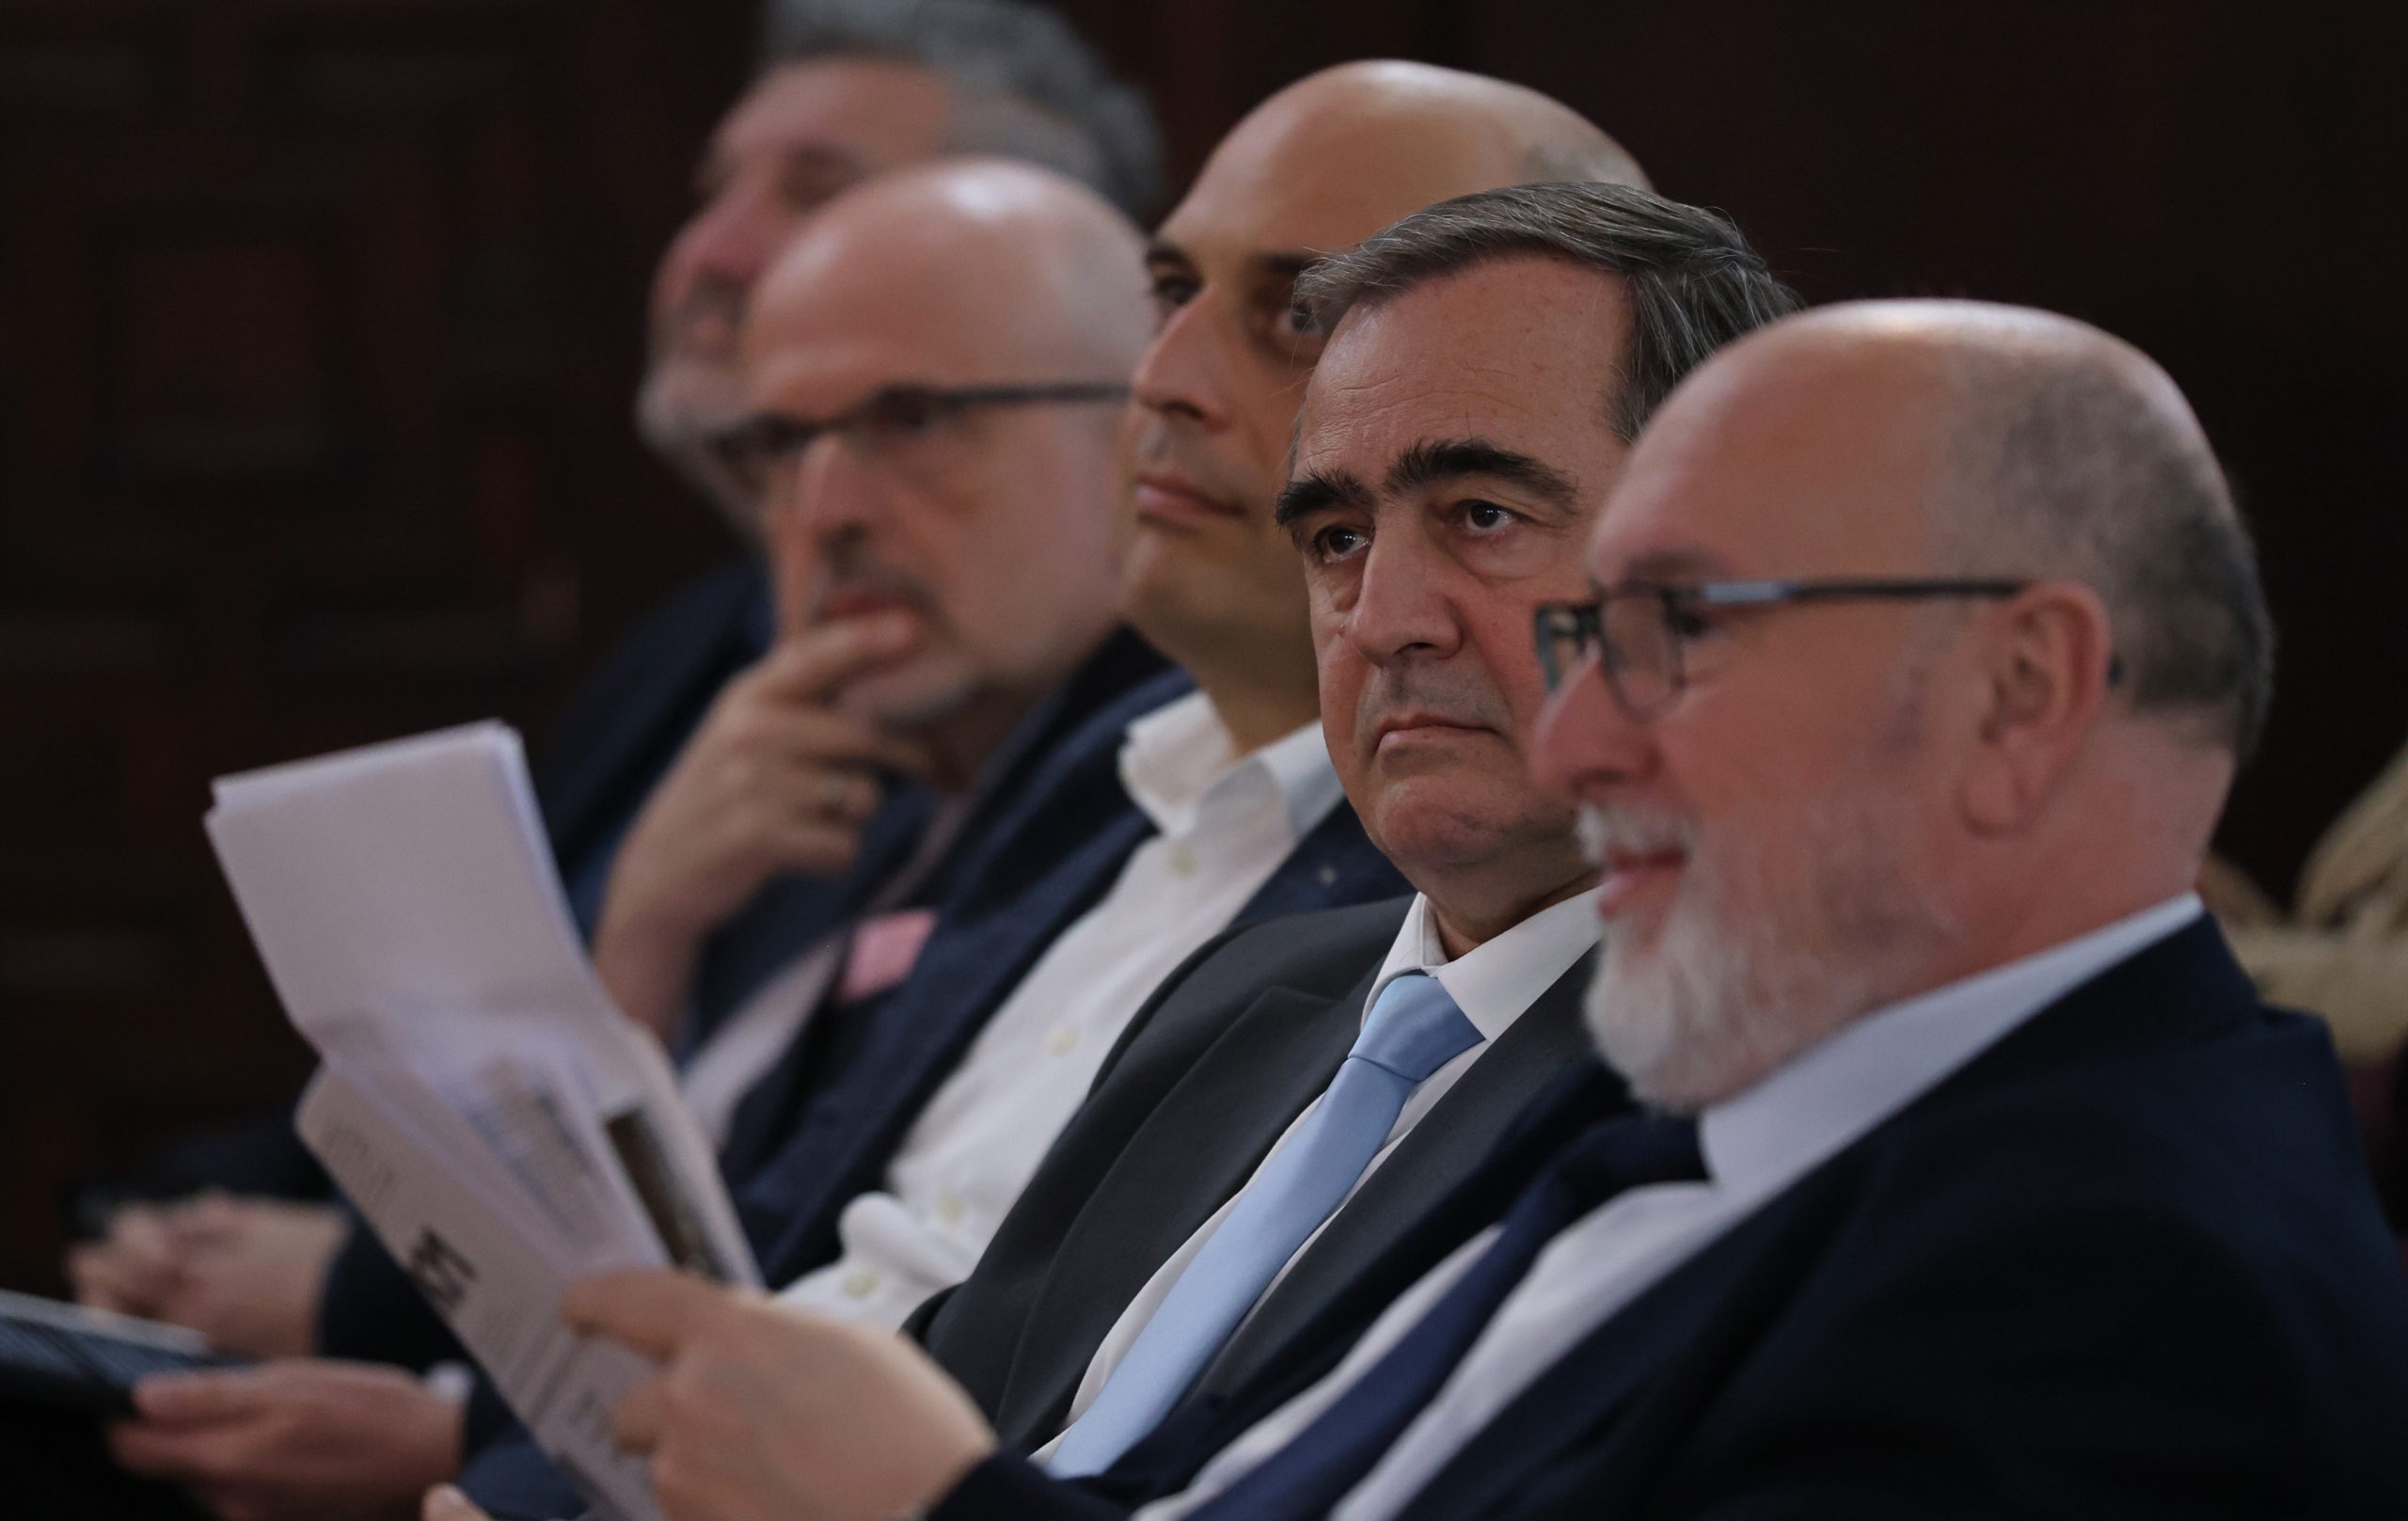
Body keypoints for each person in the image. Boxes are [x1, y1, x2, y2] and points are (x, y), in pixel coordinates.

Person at [879, 296, 2408, 1520]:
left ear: (2019, 695)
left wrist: (910, 1494)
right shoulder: (1787, 1114)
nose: (1580, 738)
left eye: (1679, 629)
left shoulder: (2124, 1298)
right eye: (1594, 636)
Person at [435, 178, 1798, 1521]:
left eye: (1482, 516)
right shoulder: (1245, 995)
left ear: (1716, 576)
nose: (1384, 618)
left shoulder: (1739, 1092)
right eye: (1335, 538)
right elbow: (930, 1402)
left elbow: (921, 1480)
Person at [20, 157, 1163, 1521]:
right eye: (776, 447)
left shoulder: (1171, 807)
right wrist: (651, 923)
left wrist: (461, 1442)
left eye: (912, 421)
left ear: (1143, 432)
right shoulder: (810, 740)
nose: (825, 509)